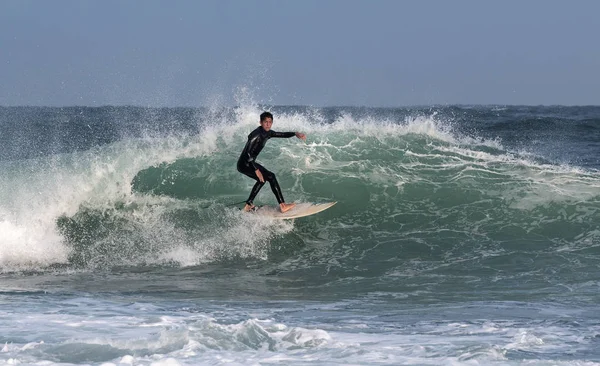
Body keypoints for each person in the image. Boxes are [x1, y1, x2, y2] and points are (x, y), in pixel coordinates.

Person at [237, 111, 306, 213]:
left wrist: (295, 134)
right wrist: (256, 169)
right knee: (270, 176)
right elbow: (247, 153)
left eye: (270, 122)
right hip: (244, 164)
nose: (268, 124)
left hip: (249, 163)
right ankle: (283, 206)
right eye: (266, 122)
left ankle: (249, 204)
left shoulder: (267, 133)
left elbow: (281, 134)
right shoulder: (257, 134)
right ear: (261, 122)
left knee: (264, 178)